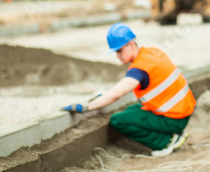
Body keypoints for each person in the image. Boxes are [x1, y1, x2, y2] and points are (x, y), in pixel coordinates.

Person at [61, 23, 196, 156]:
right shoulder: (152, 52)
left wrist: (87, 107)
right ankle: (172, 133)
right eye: (116, 52)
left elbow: (117, 93)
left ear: (131, 45)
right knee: (131, 110)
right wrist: (104, 95)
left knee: (118, 120)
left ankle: (167, 142)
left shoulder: (139, 69)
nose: (117, 55)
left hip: (174, 119)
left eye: (119, 50)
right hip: (183, 111)